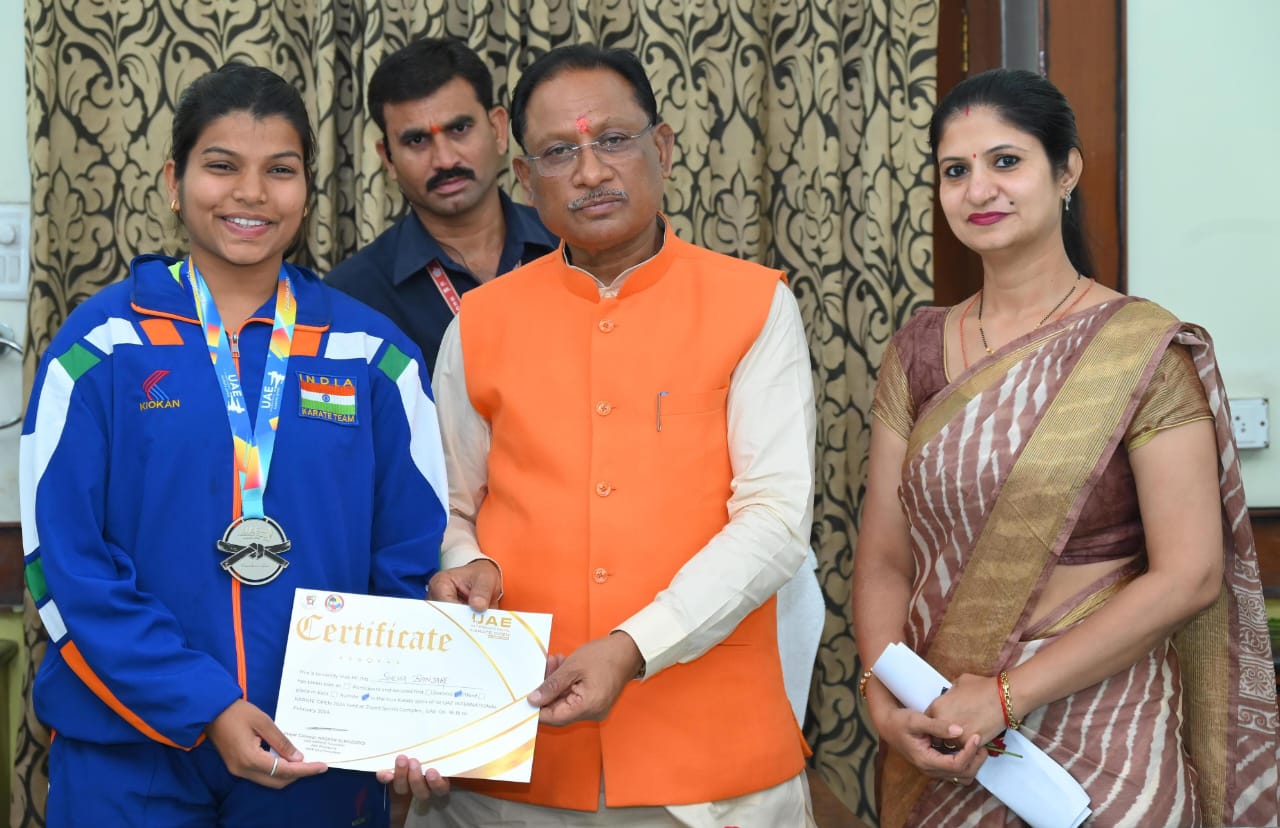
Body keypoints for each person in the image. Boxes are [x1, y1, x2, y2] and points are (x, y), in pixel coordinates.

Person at [381, 44, 820, 826]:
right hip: (511, 758)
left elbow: (775, 521)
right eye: (559, 153)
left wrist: (635, 644)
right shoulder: (480, 322)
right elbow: (448, 504)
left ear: (664, 147)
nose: (589, 172)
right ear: (525, 177)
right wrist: (467, 561)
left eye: (613, 140)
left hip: (709, 767)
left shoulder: (753, 305)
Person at [19, 63, 448, 827]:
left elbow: (411, 555)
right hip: (129, 752)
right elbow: (66, 563)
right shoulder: (100, 347)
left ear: (307, 189)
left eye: (280, 170)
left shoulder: (371, 354)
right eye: (222, 166)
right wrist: (204, 702)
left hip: (314, 754)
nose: (251, 193)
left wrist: (394, 711)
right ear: (174, 181)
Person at [852, 68, 1278, 827]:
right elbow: (885, 558)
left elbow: (1189, 575)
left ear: (1066, 170)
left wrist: (1006, 696)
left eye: (1005, 161)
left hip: (1107, 742)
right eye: (956, 171)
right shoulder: (917, 350)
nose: (979, 189)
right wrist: (887, 708)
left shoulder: (1141, 351)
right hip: (941, 737)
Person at [326, 37, 557, 372]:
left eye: (459, 128)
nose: (445, 160)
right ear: (388, 159)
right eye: (417, 140)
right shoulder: (354, 297)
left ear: (497, 129)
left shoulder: (571, 246)